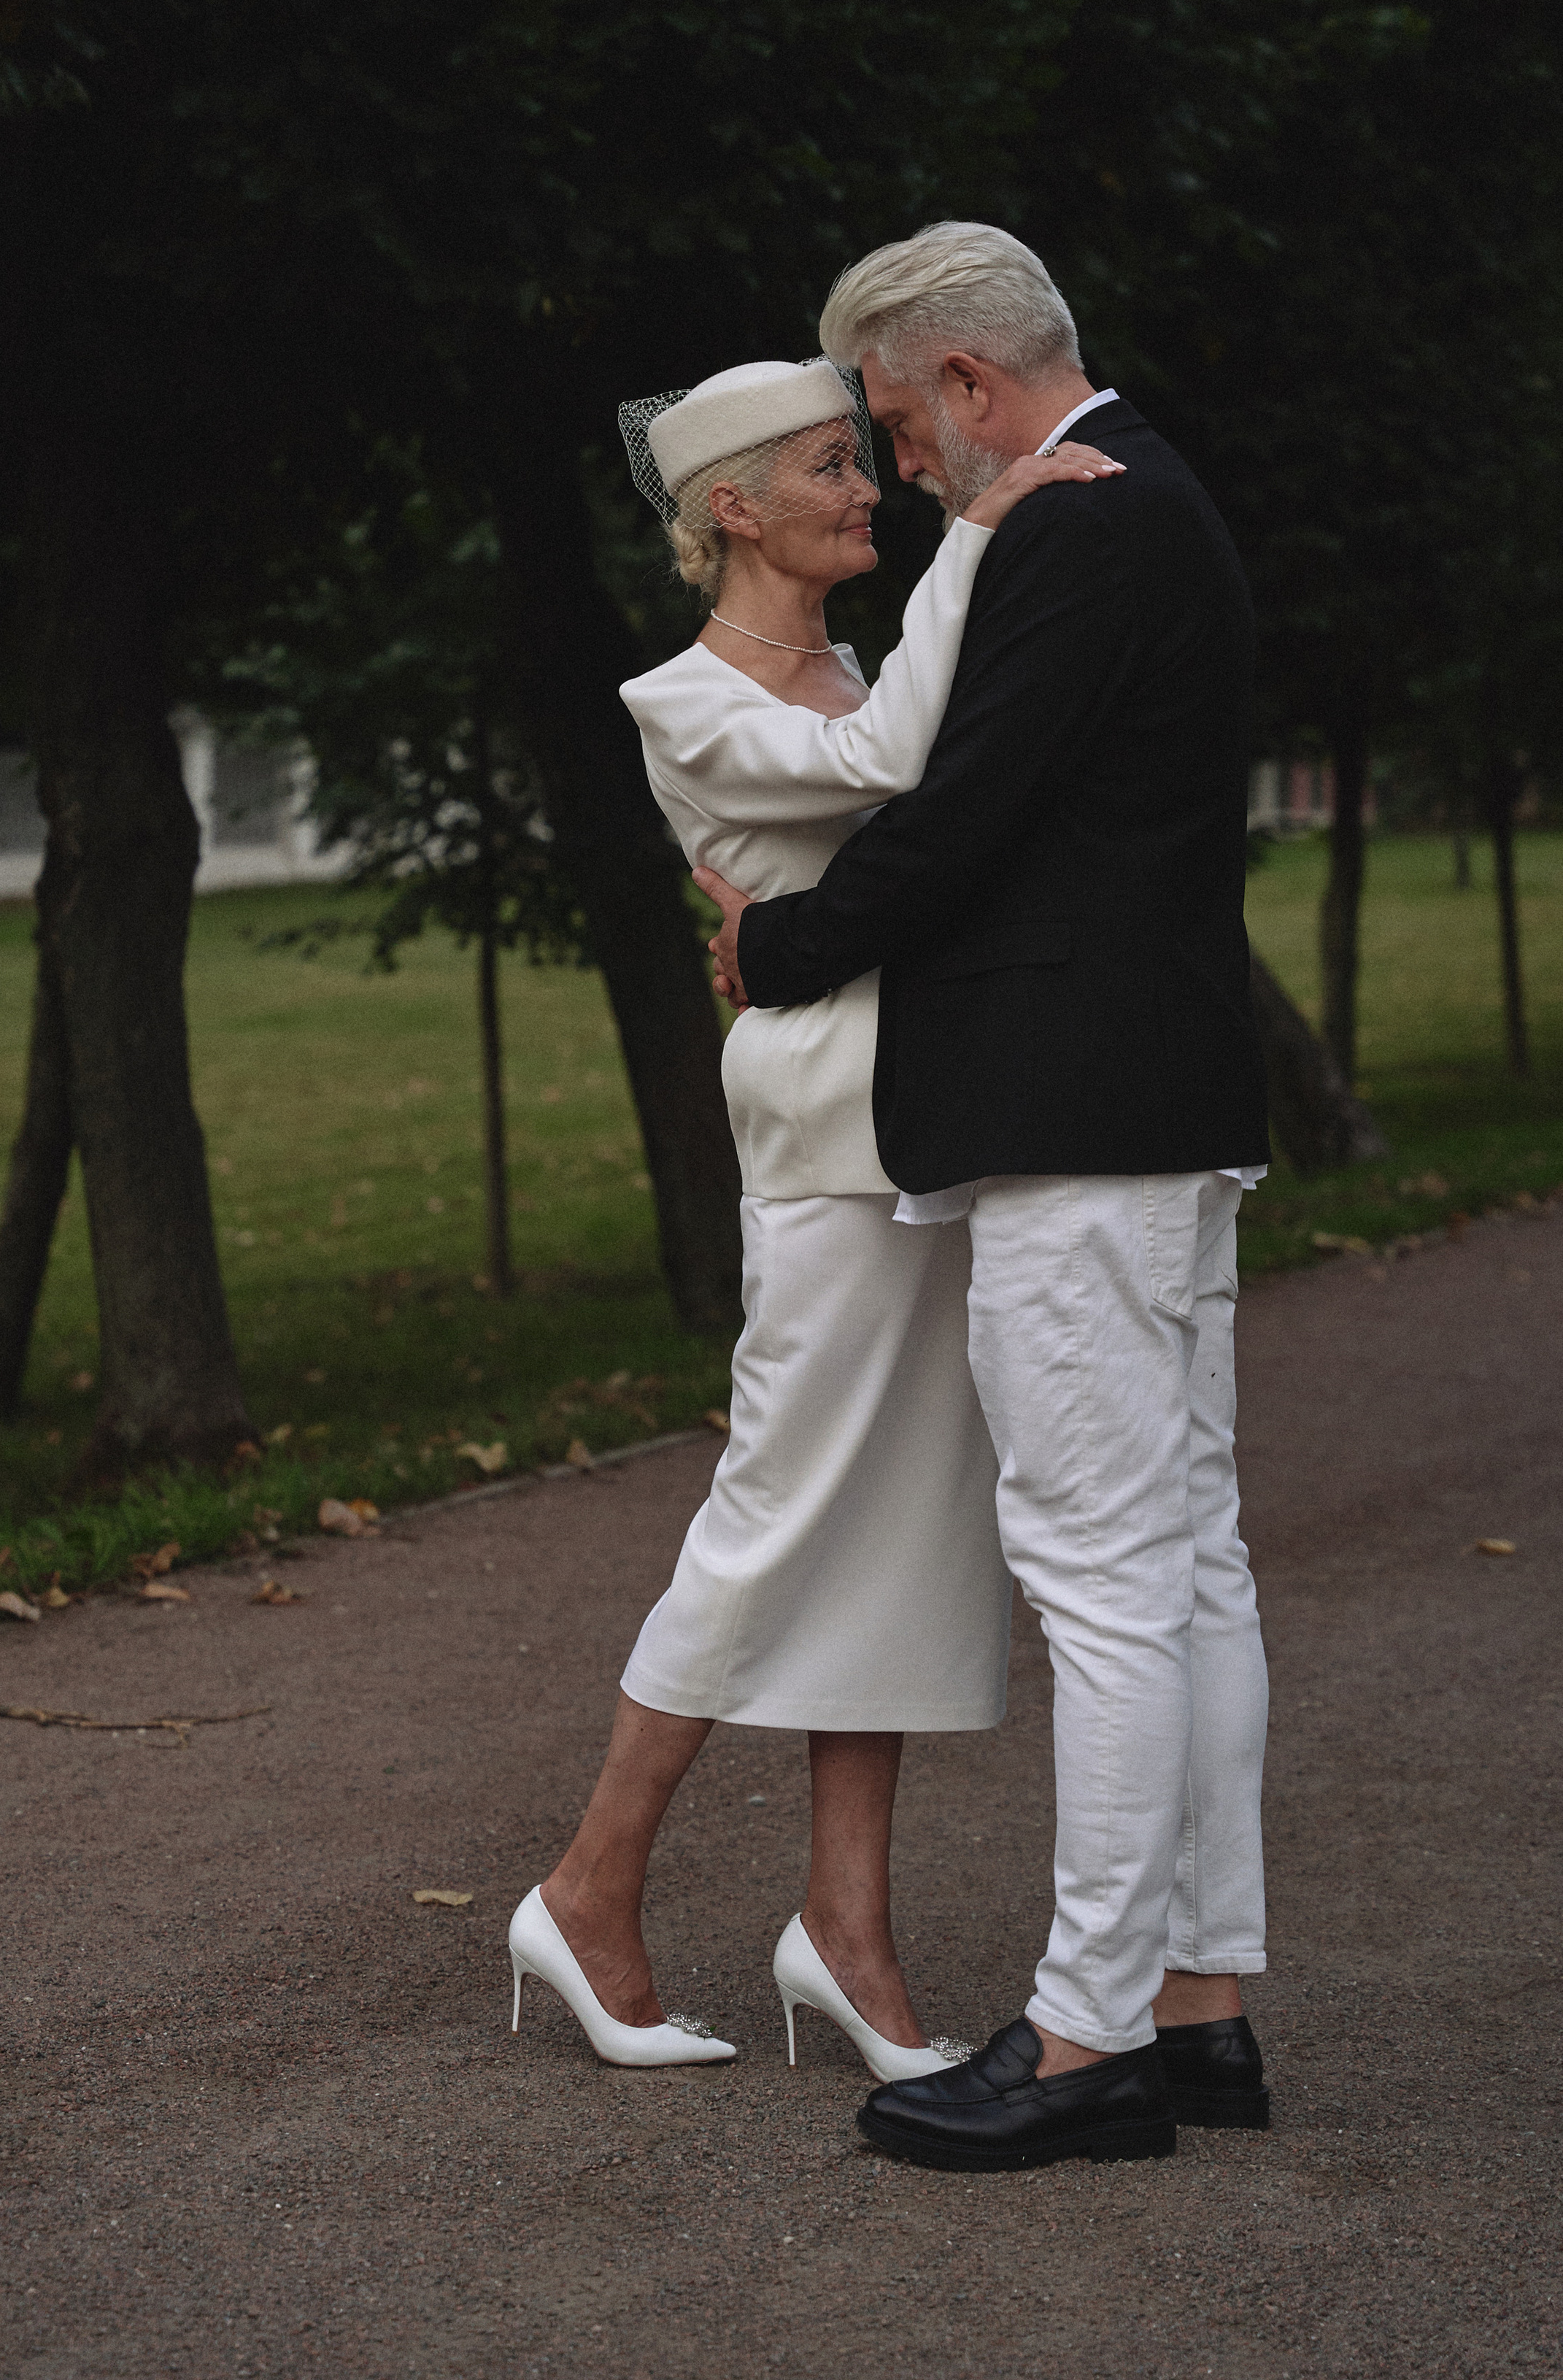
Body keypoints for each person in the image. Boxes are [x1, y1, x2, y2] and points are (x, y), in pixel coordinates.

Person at [696, 224, 1274, 2172]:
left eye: (892, 418)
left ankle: (1089, 2036)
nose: (900, 458)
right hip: (1154, 1088)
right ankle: (1198, 2002)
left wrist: (783, 945)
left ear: (962, 381)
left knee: (1111, 1577)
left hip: (1077, 1109)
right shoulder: (1151, 498)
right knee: (1186, 1559)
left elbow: (961, 816)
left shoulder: (1079, 521)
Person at [507, 355, 1124, 2075]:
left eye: (869, 464)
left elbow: (919, 814)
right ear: (734, 506)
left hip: (929, 1114)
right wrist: (985, 528)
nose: (873, 487)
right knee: (779, 1504)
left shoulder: (849, 657)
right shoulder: (681, 698)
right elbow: (893, 760)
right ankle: (586, 1881)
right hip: (828, 1138)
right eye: (831, 467)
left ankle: (844, 1927)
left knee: (913, 1519)